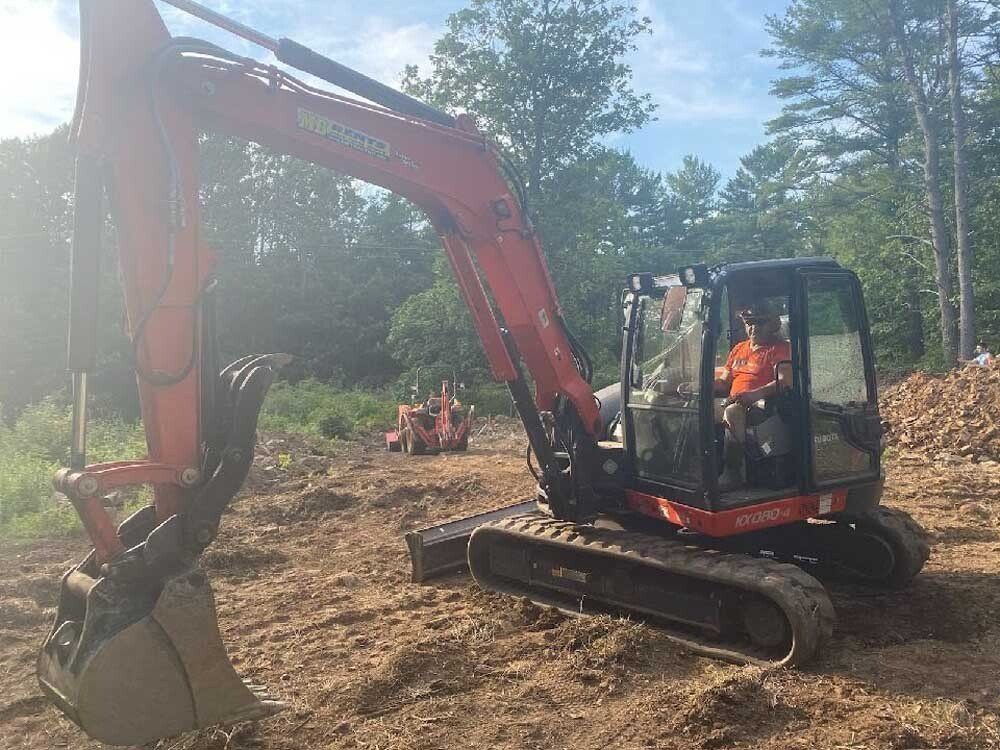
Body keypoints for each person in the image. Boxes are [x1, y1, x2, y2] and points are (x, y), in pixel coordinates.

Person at [714, 301, 791, 487]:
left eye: (759, 323)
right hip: (732, 401)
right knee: (692, 407)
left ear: (772, 325)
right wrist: (697, 387)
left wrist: (754, 395)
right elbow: (724, 381)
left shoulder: (780, 349)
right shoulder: (739, 348)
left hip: (762, 406)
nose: (753, 328)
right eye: (749, 323)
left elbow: (785, 381)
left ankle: (733, 472)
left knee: (732, 413)